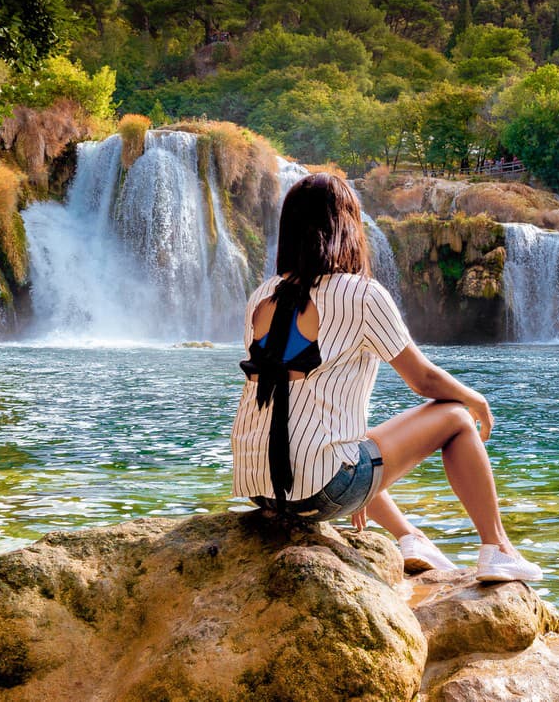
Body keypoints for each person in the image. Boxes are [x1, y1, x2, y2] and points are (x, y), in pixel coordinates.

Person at [231, 172, 542, 582]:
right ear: (348, 226)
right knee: (455, 416)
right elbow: (425, 381)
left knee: (352, 441)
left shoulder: (263, 294)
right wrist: (476, 399)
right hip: (320, 489)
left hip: (261, 489)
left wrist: (362, 472)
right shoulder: (361, 294)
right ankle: (497, 548)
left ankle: (411, 537)